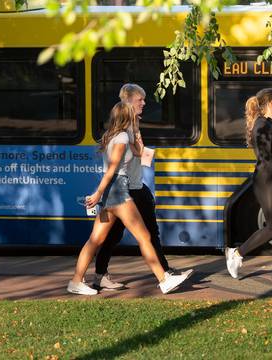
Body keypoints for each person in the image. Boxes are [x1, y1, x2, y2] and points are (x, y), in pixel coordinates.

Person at [67, 101, 190, 295]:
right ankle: (164, 279)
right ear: (127, 117)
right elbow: (113, 169)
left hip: (111, 193)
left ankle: (76, 281)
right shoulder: (123, 136)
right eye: (134, 114)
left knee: (95, 240)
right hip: (118, 191)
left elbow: (140, 153)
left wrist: (137, 131)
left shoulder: (112, 136)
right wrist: (98, 193)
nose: (138, 115)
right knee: (144, 236)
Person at [225, 88, 272, 281]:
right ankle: (237, 254)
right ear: (269, 103)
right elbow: (265, 157)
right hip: (267, 181)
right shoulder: (261, 125)